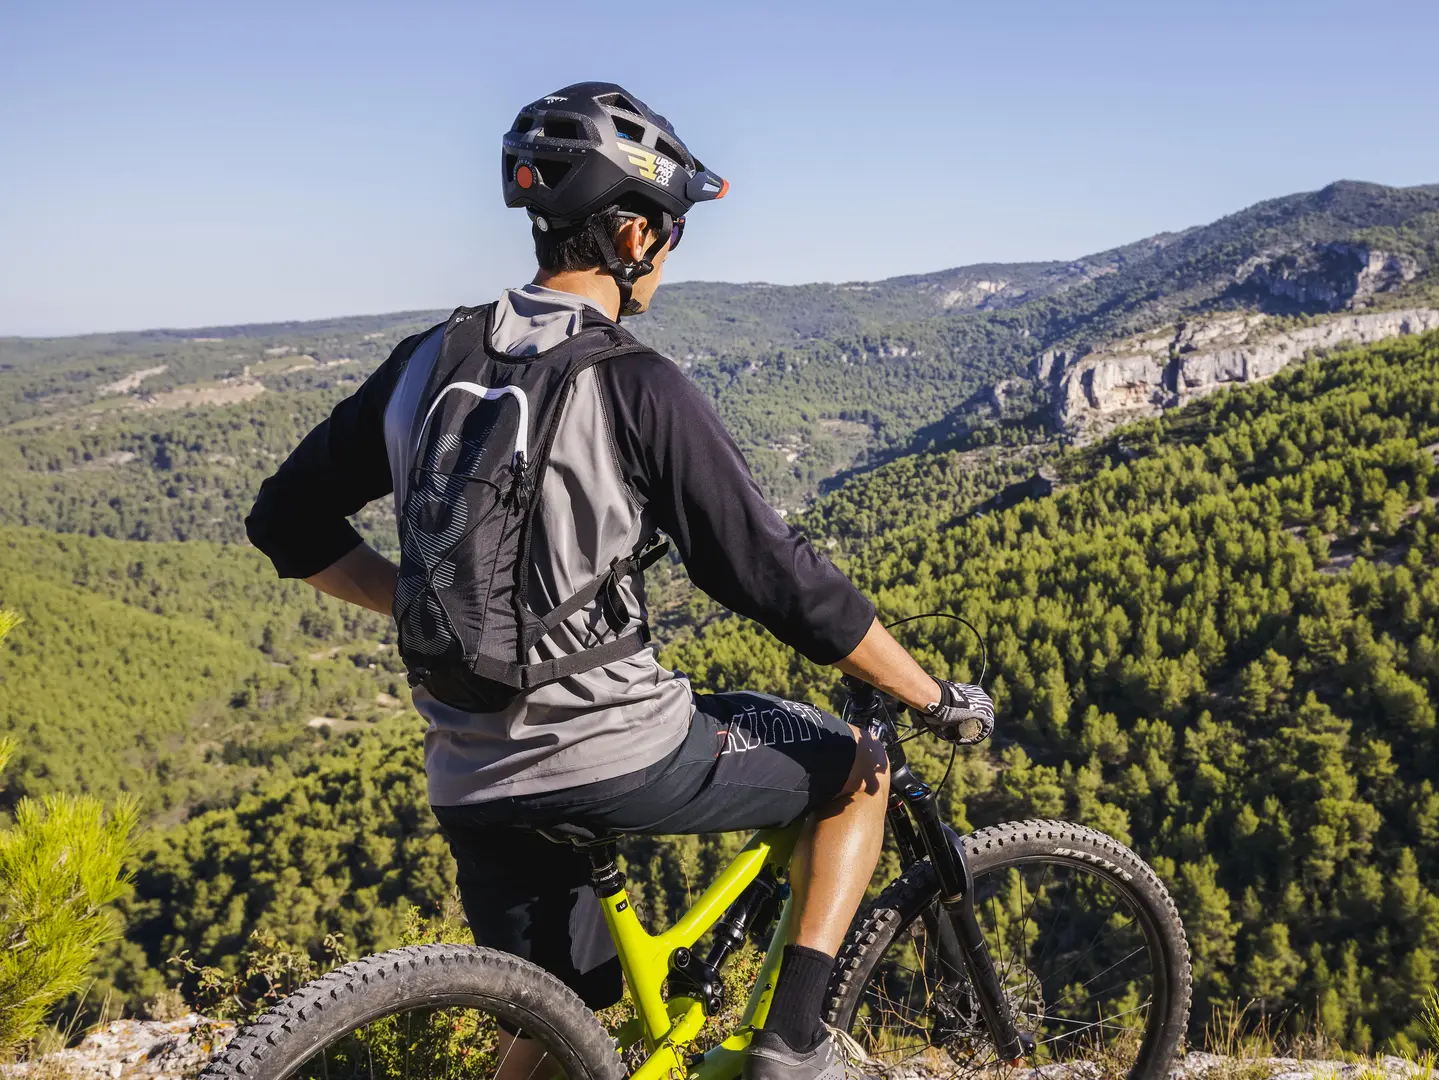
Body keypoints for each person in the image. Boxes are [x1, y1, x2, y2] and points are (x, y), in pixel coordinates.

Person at [245, 81, 995, 1080]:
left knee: (557, 1027)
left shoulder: (428, 361)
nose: (670, 258)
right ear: (635, 234)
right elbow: (772, 574)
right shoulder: (635, 382)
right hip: (617, 749)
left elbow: (282, 521)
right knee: (861, 769)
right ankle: (795, 1048)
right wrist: (926, 693)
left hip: (468, 768)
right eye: (672, 234)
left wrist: (428, 604)